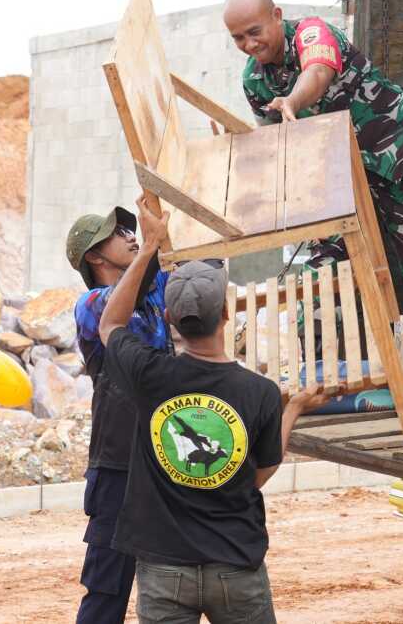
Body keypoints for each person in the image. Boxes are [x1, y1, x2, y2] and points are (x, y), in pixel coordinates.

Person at [97, 196, 328, 624]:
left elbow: (110, 324)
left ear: (168, 317)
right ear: (225, 313)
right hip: (235, 567)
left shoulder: (149, 374)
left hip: (164, 570)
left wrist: (149, 246)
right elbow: (256, 475)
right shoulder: (258, 392)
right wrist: (292, 409)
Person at [223, 0, 403, 314]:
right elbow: (277, 148)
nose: (249, 44)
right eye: (238, 38)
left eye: (254, 32)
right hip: (332, 182)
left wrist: (292, 100)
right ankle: (319, 357)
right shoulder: (254, 80)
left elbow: (317, 74)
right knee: (321, 276)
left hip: (390, 157)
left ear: (276, 16)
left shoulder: (313, 33)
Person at [65, 206, 173, 623]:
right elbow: (117, 311)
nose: (130, 236)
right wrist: (149, 248)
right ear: (95, 257)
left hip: (169, 458)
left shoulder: (158, 287)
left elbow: (195, 272)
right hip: (119, 468)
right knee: (107, 589)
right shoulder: (90, 305)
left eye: (132, 231)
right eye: (119, 233)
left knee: (174, 585)